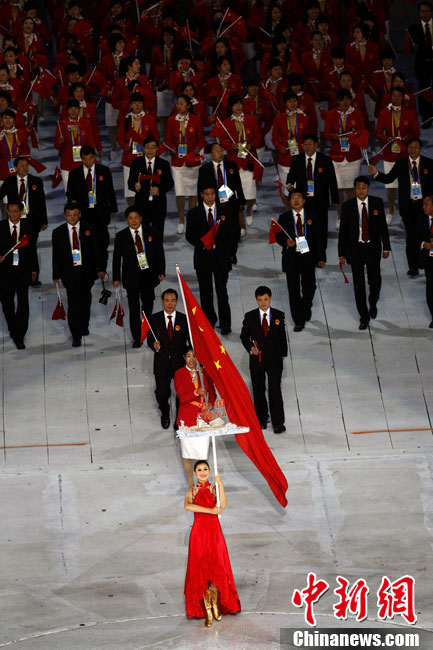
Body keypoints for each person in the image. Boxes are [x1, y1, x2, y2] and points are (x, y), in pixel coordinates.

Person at [184, 459, 241, 626]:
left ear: (209, 471)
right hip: (199, 534)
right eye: (199, 470)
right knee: (201, 569)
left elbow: (223, 504)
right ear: (195, 473)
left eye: (205, 469)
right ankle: (207, 610)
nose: (202, 472)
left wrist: (220, 483)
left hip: (215, 533)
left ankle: (215, 605)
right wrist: (210, 510)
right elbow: (188, 507)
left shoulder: (215, 488)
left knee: (217, 568)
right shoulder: (192, 491)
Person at [368, 137, 433, 276]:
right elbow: (389, 178)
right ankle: (413, 267)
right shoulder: (401, 163)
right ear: (407, 149)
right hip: (408, 206)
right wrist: (376, 173)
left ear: (421, 149)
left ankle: (425, 263)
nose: (413, 150)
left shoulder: (429, 163)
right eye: (410, 148)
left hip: (425, 207)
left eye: (416, 148)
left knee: (426, 235)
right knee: (411, 236)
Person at [338, 176, 390, 329]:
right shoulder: (347, 206)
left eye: (364, 187)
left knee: (375, 280)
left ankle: (373, 302)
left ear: (368, 188)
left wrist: (386, 247)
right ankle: (363, 317)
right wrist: (341, 253)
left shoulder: (377, 203)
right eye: (358, 187)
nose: (361, 190)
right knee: (358, 284)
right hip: (355, 249)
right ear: (355, 189)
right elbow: (343, 232)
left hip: (372, 248)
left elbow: (383, 227)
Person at [52, 203, 105, 347]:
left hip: (87, 272)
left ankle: (84, 325)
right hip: (68, 273)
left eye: (75, 214)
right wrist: (55, 274)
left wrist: (101, 268)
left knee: (85, 300)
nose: (72, 218)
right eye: (69, 215)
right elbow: (56, 255)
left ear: (80, 214)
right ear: (65, 216)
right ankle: (76, 334)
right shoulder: (58, 232)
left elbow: (97, 250)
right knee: (73, 303)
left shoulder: (90, 228)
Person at [112, 207, 165, 348]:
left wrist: (161, 270)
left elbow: (159, 252)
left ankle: (146, 329)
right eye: (130, 218)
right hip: (131, 278)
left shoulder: (151, 232)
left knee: (148, 305)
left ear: (141, 218)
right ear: (126, 220)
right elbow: (116, 258)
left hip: (148, 275)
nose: (134, 221)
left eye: (136, 217)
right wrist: (116, 277)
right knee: (133, 308)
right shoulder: (121, 236)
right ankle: (137, 337)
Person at [275, 189, 326, 331]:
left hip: (309, 257)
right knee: (293, 290)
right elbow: (278, 235)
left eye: (298, 197)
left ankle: (306, 305)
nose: (296, 200)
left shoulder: (313, 216)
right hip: (291, 257)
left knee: (309, 286)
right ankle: (298, 320)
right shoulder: (284, 218)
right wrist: (286, 242)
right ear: (289, 201)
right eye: (293, 198)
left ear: (303, 200)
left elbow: (320, 238)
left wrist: (321, 257)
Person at [186, 187, 234, 335]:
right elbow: (189, 235)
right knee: (205, 292)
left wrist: (230, 253)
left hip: (221, 258)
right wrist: (202, 244)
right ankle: (209, 321)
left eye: (212, 194)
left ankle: (225, 324)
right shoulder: (194, 213)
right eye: (206, 194)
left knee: (222, 292)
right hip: (203, 258)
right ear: (201, 195)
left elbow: (233, 233)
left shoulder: (225, 211)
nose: (210, 197)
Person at [240, 286, 287, 433]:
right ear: (256, 300)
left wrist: (283, 354)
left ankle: (278, 423)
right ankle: (261, 419)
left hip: (274, 360)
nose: (263, 302)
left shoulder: (279, 315)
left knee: (275, 391)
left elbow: (282, 336)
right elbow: (243, 336)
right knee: (259, 390)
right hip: (257, 359)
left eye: (265, 299)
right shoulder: (250, 316)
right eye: (260, 300)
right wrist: (250, 348)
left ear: (270, 299)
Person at [286, 133, 338, 256]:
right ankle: (304, 251)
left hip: (321, 200)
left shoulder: (325, 160)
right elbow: (291, 175)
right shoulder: (297, 159)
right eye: (305, 145)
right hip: (303, 200)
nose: (307, 147)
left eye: (310, 144)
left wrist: (335, 199)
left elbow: (332, 181)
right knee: (303, 225)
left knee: (321, 227)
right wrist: (289, 183)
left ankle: (320, 254)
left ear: (316, 145)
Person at [66, 145, 117, 269]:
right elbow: (70, 192)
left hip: (101, 211)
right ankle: (91, 266)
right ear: (81, 159)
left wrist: (113, 208)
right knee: (87, 240)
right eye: (84, 159)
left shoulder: (104, 170)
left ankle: (102, 266)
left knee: (103, 239)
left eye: (90, 158)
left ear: (94, 157)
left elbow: (110, 190)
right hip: (84, 213)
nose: (88, 162)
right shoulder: (74, 173)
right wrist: (73, 202)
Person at [374, 86, 420, 225]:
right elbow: (378, 133)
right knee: (390, 186)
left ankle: (403, 212)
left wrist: (407, 137)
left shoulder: (409, 113)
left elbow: (416, 132)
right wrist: (386, 138)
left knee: (405, 185)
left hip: (404, 154)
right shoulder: (384, 113)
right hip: (389, 153)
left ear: (403, 97)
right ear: (390, 97)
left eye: (399, 96)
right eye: (394, 95)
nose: (396, 98)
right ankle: (391, 210)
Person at [0, 156, 47, 285]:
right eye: (21, 166)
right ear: (15, 168)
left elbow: (41, 202)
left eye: (26, 165)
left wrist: (44, 220)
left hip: (32, 221)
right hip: (15, 221)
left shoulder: (36, 181)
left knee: (31, 247)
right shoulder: (9, 181)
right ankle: (16, 274)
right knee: (16, 247)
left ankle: (33, 276)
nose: (25, 168)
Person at [147, 288, 190, 430]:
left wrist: (189, 355)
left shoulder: (184, 319)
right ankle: (165, 413)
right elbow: (149, 339)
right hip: (162, 362)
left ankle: (179, 419)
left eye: (172, 300)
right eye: (167, 301)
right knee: (162, 392)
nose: (169, 304)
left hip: (179, 363)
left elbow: (190, 341)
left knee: (181, 393)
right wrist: (153, 345)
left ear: (176, 302)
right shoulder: (154, 319)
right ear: (162, 301)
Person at [197, 142, 245, 263]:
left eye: (222, 150)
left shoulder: (231, 165)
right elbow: (200, 189)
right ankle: (220, 254)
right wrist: (201, 207)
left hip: (231, 203)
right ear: (210, 154)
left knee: (234, 230)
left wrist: (241, 201)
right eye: (217, 151)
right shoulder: (204, 170)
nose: (221, 153)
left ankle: (232, 253)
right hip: (214, 204)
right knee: (218, 230)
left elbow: (238, 184)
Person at [165, 93, 205, 234]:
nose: (178, 106)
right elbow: (168, 139)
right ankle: (181, 220)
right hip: (177, 162)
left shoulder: (196, 120)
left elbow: (201, 140)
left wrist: (195, 152)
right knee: (180, 192)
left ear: (188, 106)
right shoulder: (171, 120)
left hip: (192, 162)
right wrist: (172, 148)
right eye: (177, 103)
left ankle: (191, 219)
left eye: (181, 104)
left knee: (193, 193)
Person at [175, 351, 216, 486]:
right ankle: (191, 484)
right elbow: (182, 397)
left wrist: (210, 403)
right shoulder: (179, 373)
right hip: (186, 419)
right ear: (184, 358)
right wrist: (196, 392)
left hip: (203, 419)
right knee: (187, 454)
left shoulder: (204, 372)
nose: (191, 359)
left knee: (203, 454)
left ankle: (203, 483)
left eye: (194, 356)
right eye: (188, 356)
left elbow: (212, 392)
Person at [0, 202, 37, 349]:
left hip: (23, 271)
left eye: (15, 211)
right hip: (4, 272)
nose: (12, 214)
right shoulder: (1, 227)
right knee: (7, 303)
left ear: (21, 213)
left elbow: (32, 249)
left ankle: (19, 335)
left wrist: (34, 269)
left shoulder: (28, 227)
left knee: (23, 303)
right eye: (10, 211)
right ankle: (13, 328)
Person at [128, 137, 174, 241]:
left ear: (157, 149)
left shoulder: (164, 164)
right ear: (143, 148)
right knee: (143, 235)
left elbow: (169, 183)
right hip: (142, 204)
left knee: (158, 235)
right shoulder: (136, 163)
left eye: (153, 147)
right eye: (147, 147)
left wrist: (159, 189)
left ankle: (157, 251)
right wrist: (135, 186)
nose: (150, 150)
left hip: (158, 205)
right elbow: (130, 183)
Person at [407, 1, 433, 128]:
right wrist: (413, 48)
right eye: (422, 11)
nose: (425, 13)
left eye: (427, 11)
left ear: (431, 12)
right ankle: (426, 118)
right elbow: (411, 48)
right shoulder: (414, 28)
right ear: (419, 13)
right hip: (422, 65)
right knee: (424, 91)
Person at [417, 195, 433, 327]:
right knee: (431, 288)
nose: (423, 207)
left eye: (426, 204)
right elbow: (414, 238)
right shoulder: (421, 220)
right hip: (429, 260)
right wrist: (423, 244)